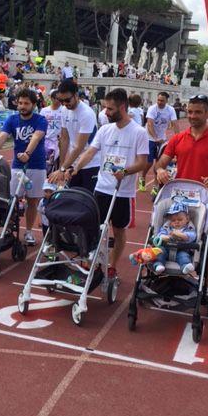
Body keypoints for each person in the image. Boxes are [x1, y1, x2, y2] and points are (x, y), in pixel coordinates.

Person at [155, 93, 208, 307]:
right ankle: (168, 279)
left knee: (207, 246)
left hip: (204, 204)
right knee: (169, 237)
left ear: (207, 113)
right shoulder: (178, 139)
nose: (192, 116)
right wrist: (160, 171)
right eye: (189, 111)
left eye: (197, 112)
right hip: (178, 202)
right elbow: (160, 163)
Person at [67, 88, 149, 280]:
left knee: (118, 230)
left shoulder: (139, 132)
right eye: (105, 108)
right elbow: (90, 152)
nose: (106, 112)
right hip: (101, 188)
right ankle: (91, 261)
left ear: (122, 107)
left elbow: (142, 162)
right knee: (94, 227)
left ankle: (112, 265)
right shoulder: (104, 129)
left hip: (123, 192)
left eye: (110, 109)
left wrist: (126, 171)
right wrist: (76, 168)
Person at [0, 88, 48, 246]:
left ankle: (28, 231)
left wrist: (28, 153)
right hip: (17, 166)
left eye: (26, 103)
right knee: (12, 199)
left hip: (37, 165)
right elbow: (3, 136)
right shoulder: (12, 119)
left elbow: (36, 137)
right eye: (20, 103)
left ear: (33, 105)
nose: (22, 106)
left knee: (32, 200)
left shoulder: (40, 120)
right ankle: (10, 228)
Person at [49, 80, 100, 193]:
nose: (64, 104)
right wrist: (62, 166)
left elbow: (80, 147)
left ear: (76, 95)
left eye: (67, 100)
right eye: (61, 101)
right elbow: (64, 139)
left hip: (91, 164)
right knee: (73, 201)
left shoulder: (86, 114)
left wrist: (63, 169)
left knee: (88, 201)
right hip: (73, 164)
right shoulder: (63, 110)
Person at [138, 91, 179, 197]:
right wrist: (155, 138)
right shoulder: (152, 109)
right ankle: (142, 176)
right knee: (149, 162)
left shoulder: (171, 110)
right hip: (149, 138)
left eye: (162, 101)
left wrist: (178, 139)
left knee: (161, 164)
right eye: (158, 100)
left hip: (162, 140)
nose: (160, 102)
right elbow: (150, 124)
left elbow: (175, 125)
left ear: (167, 101)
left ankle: (155, 186)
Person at [152, 202, 196, 275]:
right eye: (173, 220)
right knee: (159, 252)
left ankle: (185, 266)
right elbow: (160, 234)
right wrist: (165, 237)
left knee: (184, 256)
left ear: (187, 219)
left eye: (180, 219)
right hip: (166, 249)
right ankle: (158, 264)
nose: (176, 222)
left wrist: (180, 235)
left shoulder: (189, 228)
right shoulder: (167, 227)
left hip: (181, 250)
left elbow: (192, 236)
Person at [40, 89, 62, 169]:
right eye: (57, 98)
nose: (59, 101)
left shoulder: (64, 110)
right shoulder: (44, 111)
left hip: (59, 142)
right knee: (46, 164)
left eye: (60, 99)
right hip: (46, 141)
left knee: (58, 163)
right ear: (52, 99)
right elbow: (40, 125)